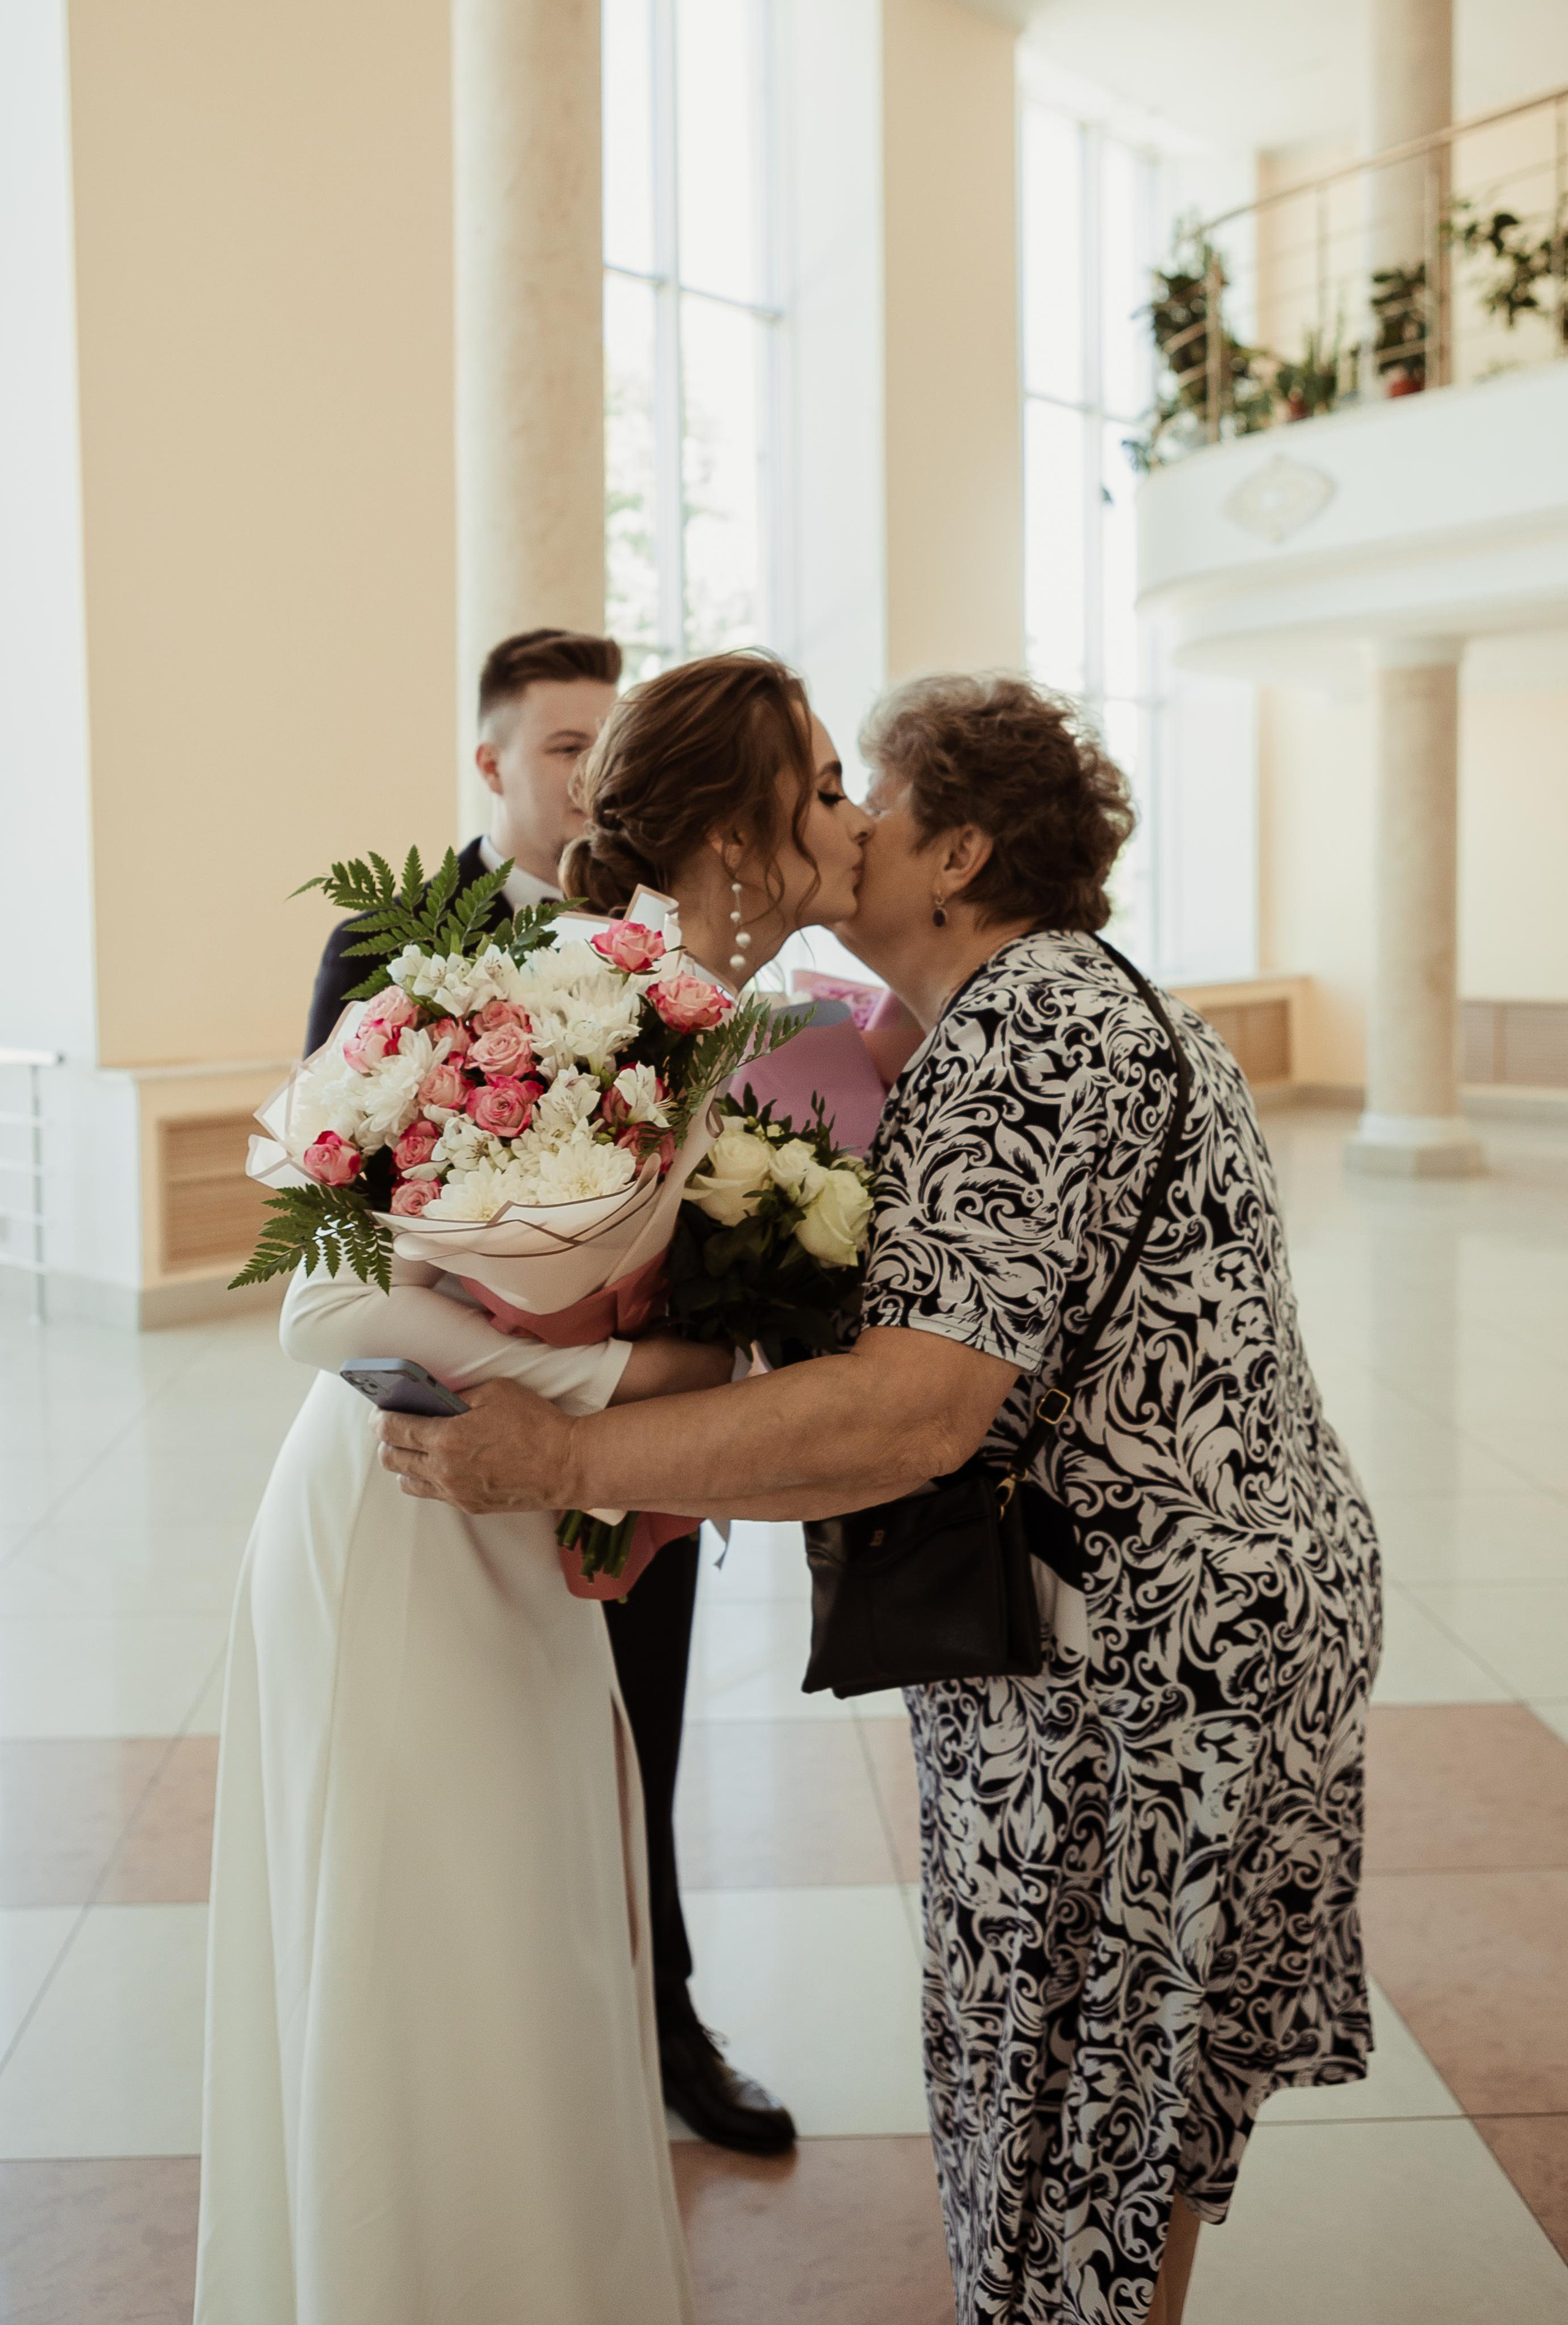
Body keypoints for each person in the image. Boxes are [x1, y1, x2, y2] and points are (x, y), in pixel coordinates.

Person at [375, 671, 1383, 2325]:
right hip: (1181, 1622)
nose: (842, 830)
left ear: (963, 850)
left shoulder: (1034, 1021)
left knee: (1078, 2126)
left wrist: (565, 1460)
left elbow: (917, 1411)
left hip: (1142, 1661)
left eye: (874, 797)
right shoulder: (1006, 1013)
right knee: (1116, 2124)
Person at [196, 653, 869, 2323]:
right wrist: (637, 1385)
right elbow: (325, 1304)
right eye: (828, 786)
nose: (855, 820)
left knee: (544, 1964)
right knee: (442, 1984)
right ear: (739, 832)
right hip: (410, 1521)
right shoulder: (580, 1000)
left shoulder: (725, 1029)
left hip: (522, 1539)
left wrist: (665, 1397)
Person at [303, 625, 796, 2154]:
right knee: (468, 1797)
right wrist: (600, 1366)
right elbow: (338, 1239)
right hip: (457, 1436)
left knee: (635, 1734)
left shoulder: (702, 977)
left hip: (630, 1449)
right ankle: (482, 2091)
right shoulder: (411, 947)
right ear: (495, 760)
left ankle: (657, 2017)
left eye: (610, 739)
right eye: (564, 743)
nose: (588, 768)